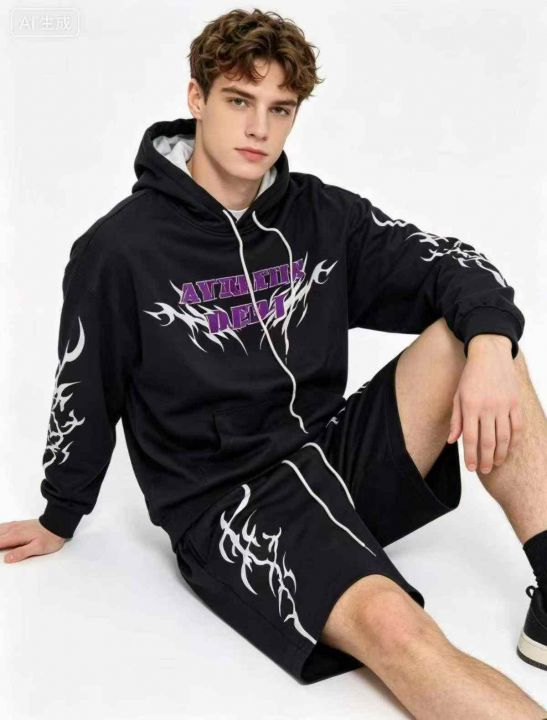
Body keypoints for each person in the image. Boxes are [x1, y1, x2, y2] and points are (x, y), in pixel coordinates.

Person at [2, 7, 546, 716]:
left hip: (332, 458)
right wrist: (61, 512)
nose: (258, 128)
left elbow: (456, 265)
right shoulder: (119, 251)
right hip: (235, 510)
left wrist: (492, 347)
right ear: (196, 99)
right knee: (395, 628)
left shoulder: (321, 216)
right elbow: (85, 384)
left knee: (477, 337)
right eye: (238, 100)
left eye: (279, 109)